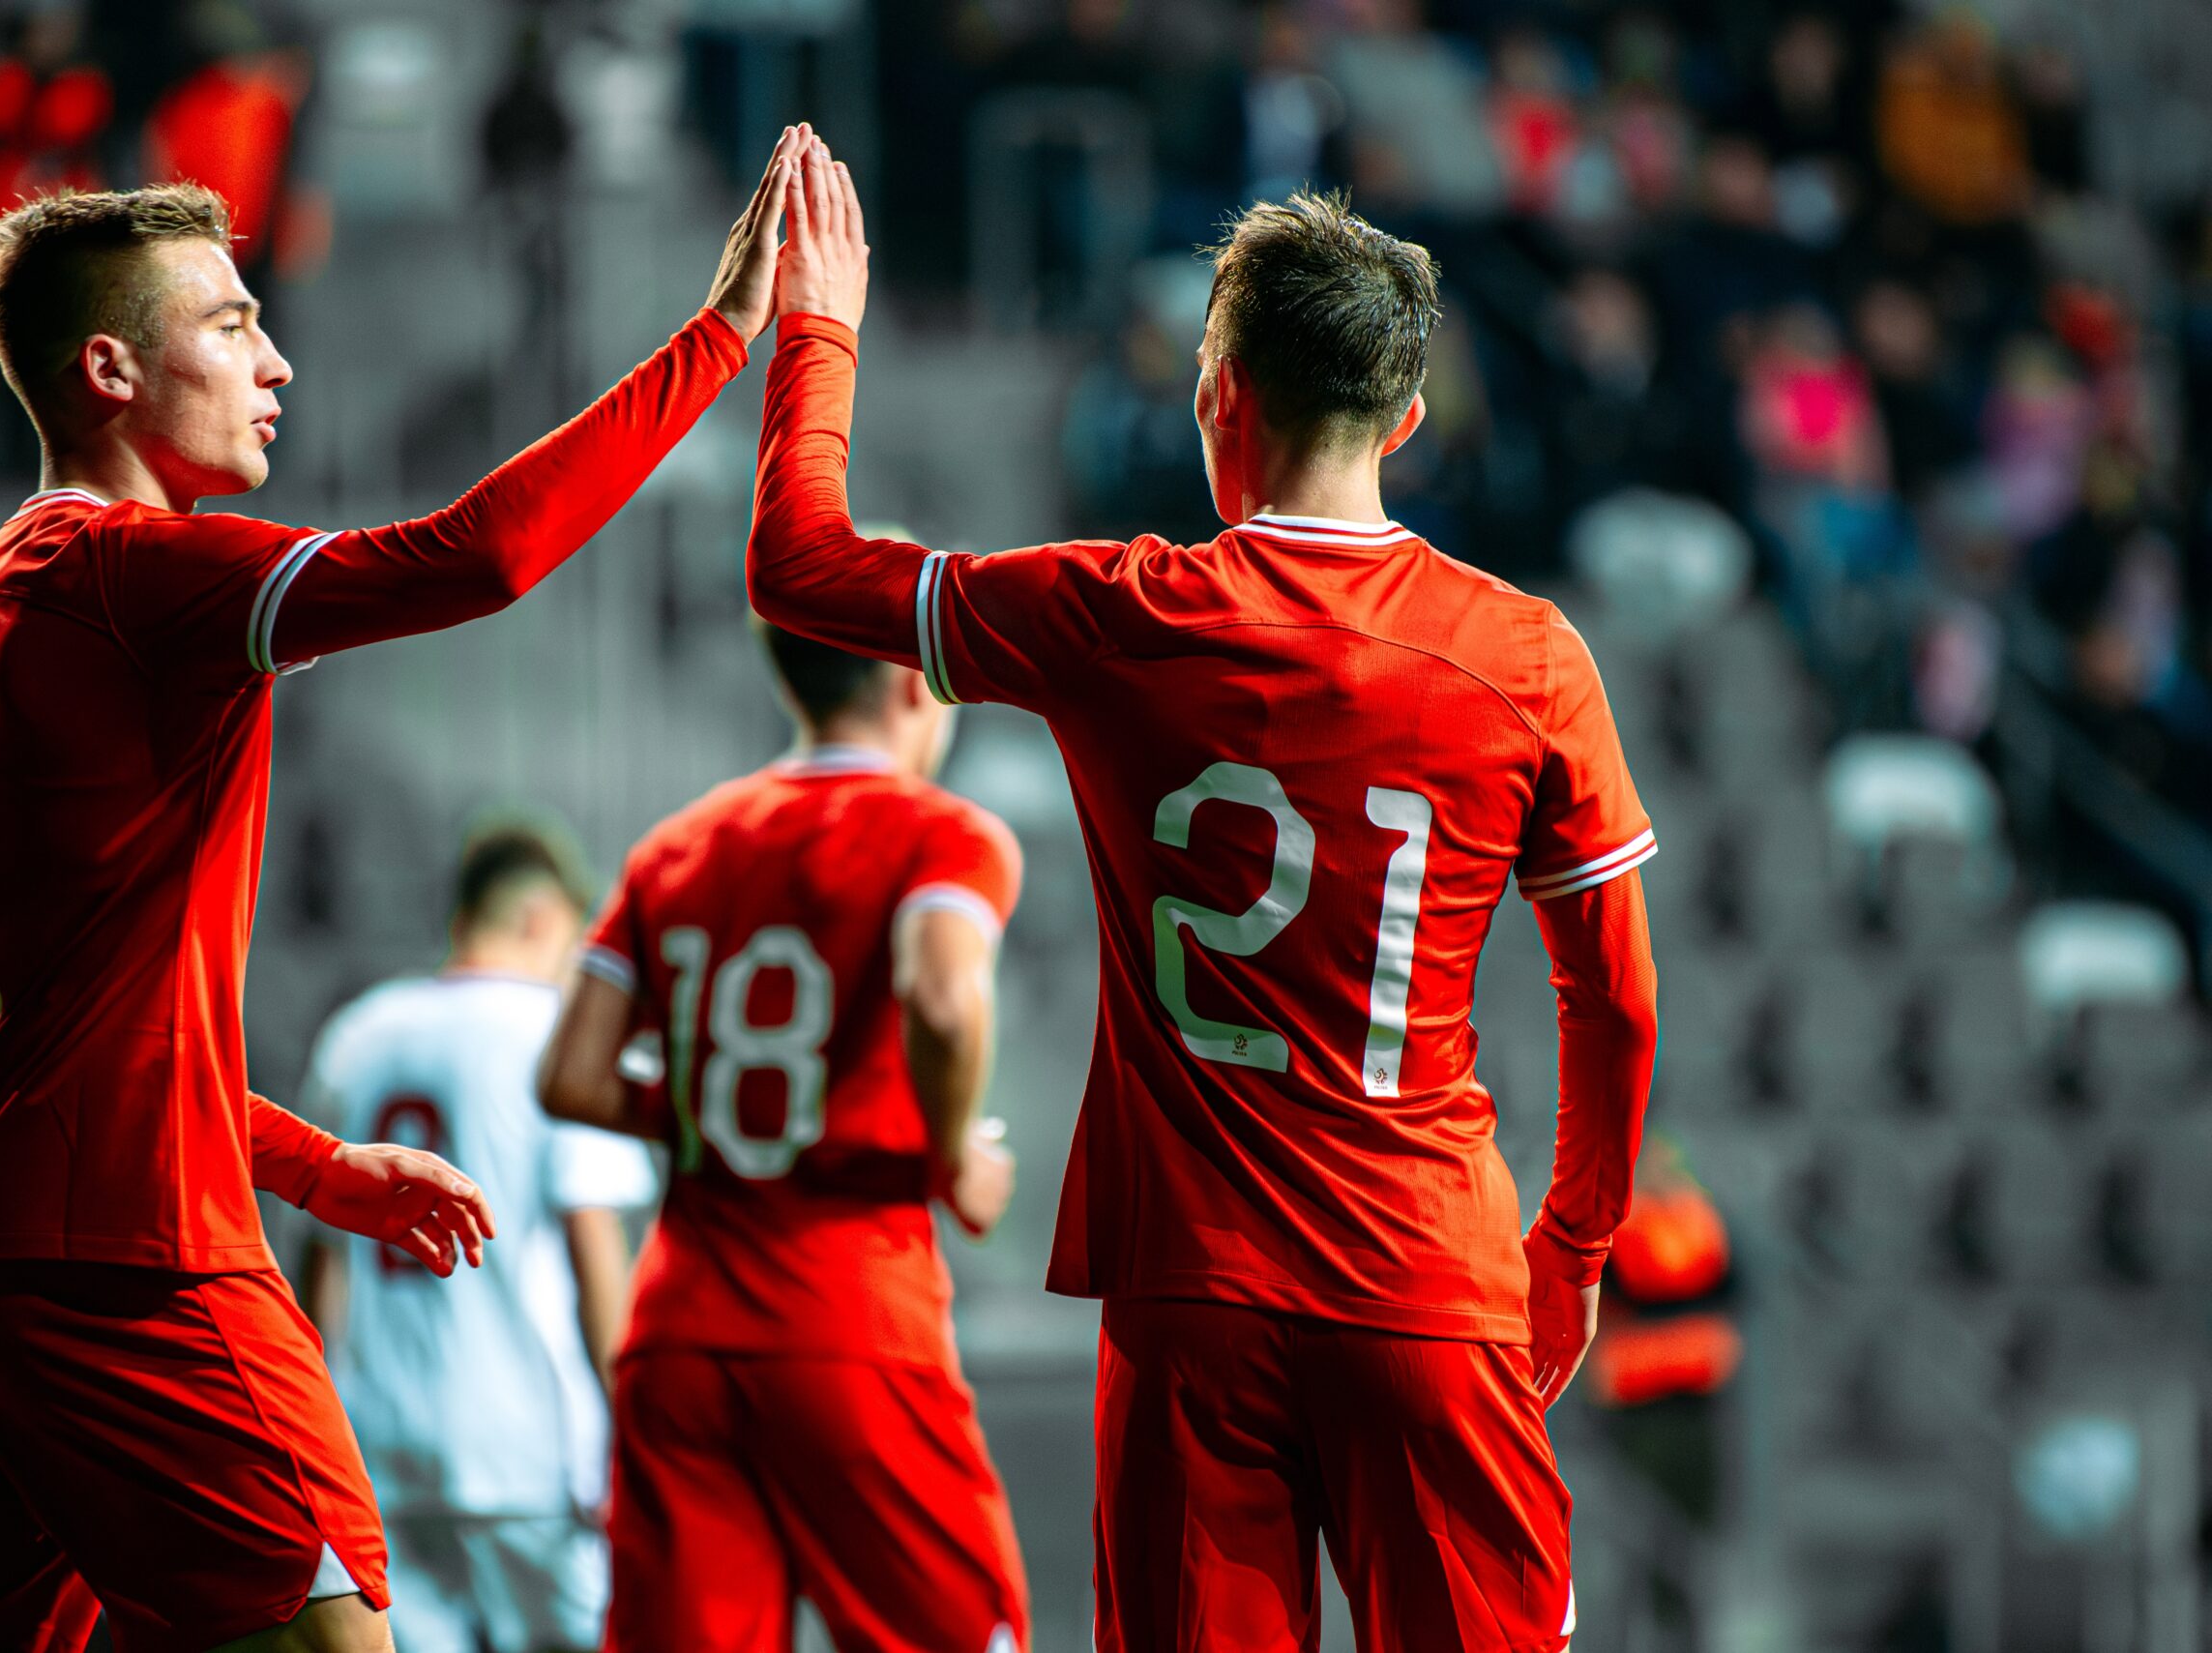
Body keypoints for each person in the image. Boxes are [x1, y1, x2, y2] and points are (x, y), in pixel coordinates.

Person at [0, 127, 806, 1653]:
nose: (277, 361)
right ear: (110, 371)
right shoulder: (132, 576)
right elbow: (479, 558)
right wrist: (722, 334)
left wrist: (316, 1169)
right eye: (232, 325)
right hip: (128, 1268)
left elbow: (81, 1037)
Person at [750, 132, 1660, 1651]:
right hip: (1430, 1286)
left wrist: (821, 327)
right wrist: (1571, 1247)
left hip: (1195, 1306)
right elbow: (1614, 996)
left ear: (1215, 394)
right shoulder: (1527, 659)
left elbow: (799, 566)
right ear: (1410, 419)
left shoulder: (1116, 614)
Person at [539, 621, 1030, 1653]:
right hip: (849, 1311)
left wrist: (700, 1116)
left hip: (677, 1327)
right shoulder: (943, 833)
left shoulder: (676, 845)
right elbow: (943, 995)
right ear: (907, 679)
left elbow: (572, 1076)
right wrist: (951, 1158)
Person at [296, 827, 656, 1653]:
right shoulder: (552, 1029)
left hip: (381, 1449)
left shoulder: (357, 1034)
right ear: (539, 918)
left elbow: (324, 1274)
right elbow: (593, 1250)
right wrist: (632, 1429)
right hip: (526, 1452)